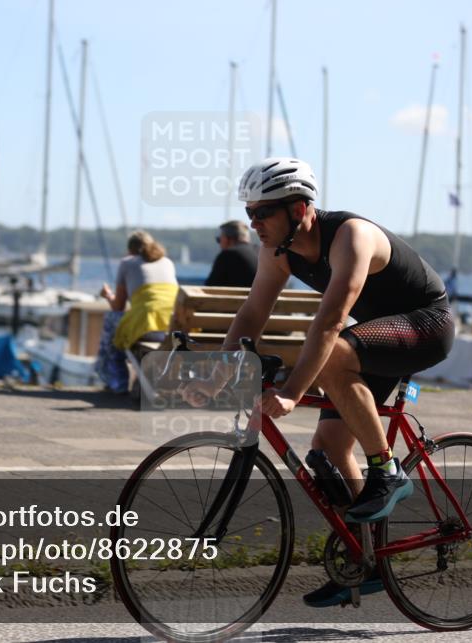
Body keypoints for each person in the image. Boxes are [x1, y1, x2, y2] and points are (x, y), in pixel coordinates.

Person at [182, 157, 454, 607]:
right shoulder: (279, 251)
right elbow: (253, 313)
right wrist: (216, 377)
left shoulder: (351, 236)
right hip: (374, 337)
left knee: (334, 355)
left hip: (426, 324)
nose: (254, 224)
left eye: (263, 212)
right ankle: (364, 563)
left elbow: (329, 321)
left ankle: (386, 470)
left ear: (299, 209)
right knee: (327, 450)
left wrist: (290, 393)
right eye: (249, 214)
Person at [95, 230, 178, 393]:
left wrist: (108, 295)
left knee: (112, 320)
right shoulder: (167, 262)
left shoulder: (127, 262)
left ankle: (117, 381)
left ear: (130, 249)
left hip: (148, 326)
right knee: (120, 323)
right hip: (174, 326)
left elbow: (118, 306)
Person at [205, 220, 258, 287]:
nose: (220, 244)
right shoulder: (260, 252)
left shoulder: (227, 255)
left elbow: (210, 287)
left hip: (244, 297)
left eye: (219, 239)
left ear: (226, 239)